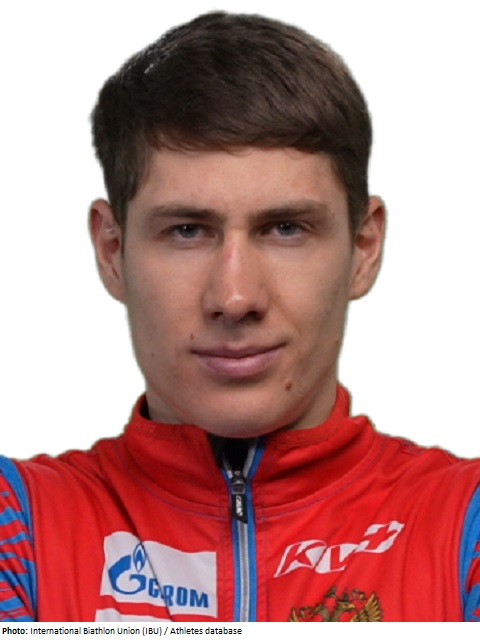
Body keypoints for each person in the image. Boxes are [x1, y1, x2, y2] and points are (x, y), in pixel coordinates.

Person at [0, 11, 479, 623]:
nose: (234, 297)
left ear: (364, 248)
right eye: (187, 230)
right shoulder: (20, 526)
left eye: (286, 228)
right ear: (112, 251)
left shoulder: (466, 520)